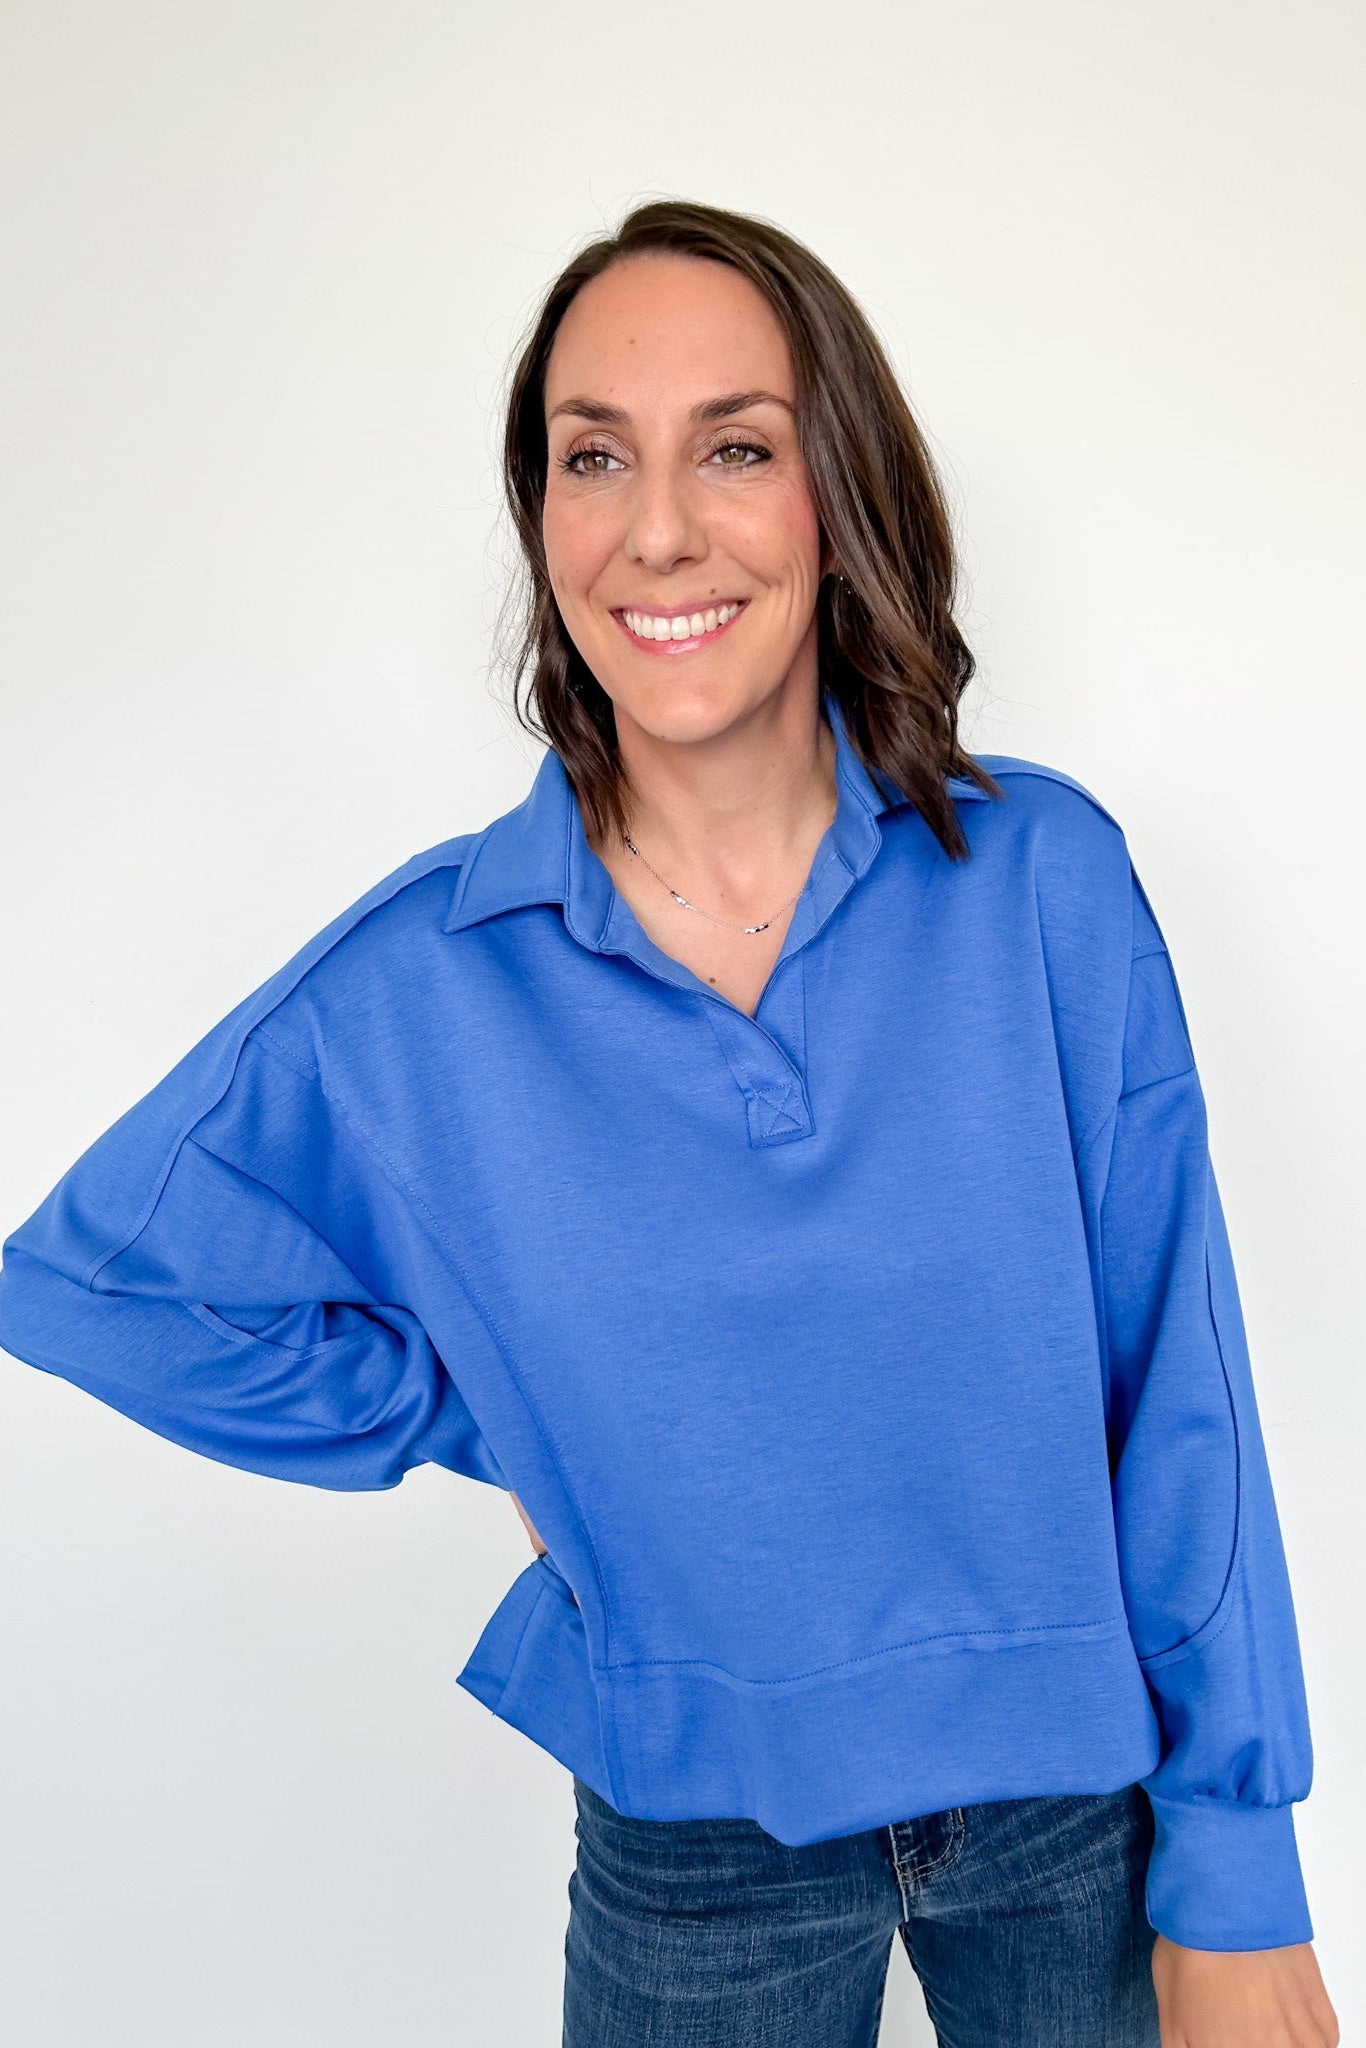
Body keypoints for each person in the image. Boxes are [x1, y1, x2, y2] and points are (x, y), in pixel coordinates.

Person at [0, 199, 1339, 2048]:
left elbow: (1173, 1393)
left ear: (834, 492)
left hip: (1073, 1812)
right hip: (690, 1840)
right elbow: (93, 1285)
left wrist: (1234, 1865)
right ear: (541, 516)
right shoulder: (423, 983)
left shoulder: (1040, 884)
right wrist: (538, 1412)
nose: (656, 528)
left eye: (733, 447)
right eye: (590, 458)